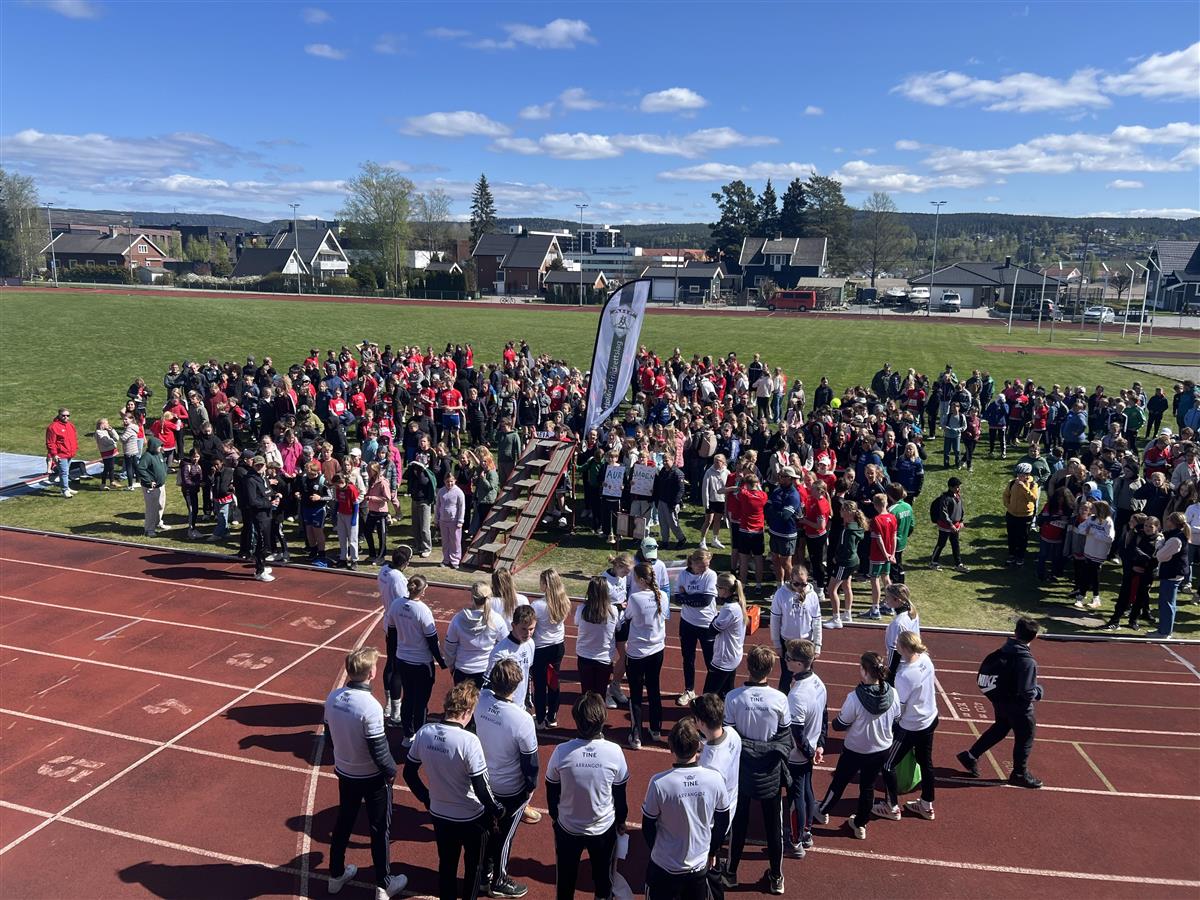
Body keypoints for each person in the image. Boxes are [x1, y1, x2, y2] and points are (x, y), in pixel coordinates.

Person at [404, 681, 505, 900]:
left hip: (440, 814)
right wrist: (497, 809)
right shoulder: (469, 741)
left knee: (447, 866)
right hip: (471, 817)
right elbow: (481, 788)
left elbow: (409, 773)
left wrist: (426, 798)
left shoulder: (424, 733)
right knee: (474, 868)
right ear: (467, 711)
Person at [323, 647, 408, 900]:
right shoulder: (370, 706)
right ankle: (384, 883)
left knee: (344, 821)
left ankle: (335, 875)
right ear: (371, 672)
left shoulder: (333, 697)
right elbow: (379, 750)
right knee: (379, 828)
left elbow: (329, 739)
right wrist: (391, 772)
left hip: (345, 772)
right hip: (371, 778)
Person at [545, 693, 629, 900]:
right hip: (603, 829)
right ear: (603, 720)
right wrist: (621, 821)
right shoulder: (615, 752)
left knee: (565, 881)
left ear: (576, 719)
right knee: (603, 880)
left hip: (568, 828)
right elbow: (620, 795)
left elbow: (551, 788)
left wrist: (556, 816)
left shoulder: (561, 752)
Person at [721, 646, 790, 895]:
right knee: (774, 827)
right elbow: (785, 738)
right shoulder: (780, 699)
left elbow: (729, 737)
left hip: (742, 769)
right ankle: (776, 876)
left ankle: (731, 872)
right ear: (771, 668)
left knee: (739, 822)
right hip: (771, 770)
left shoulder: (733, 697)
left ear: (747, 666)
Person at [641, 718, 733, 900]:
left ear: (671, 748)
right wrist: (712, 850)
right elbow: (723, 821)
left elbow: (648, 825)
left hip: (664, 868)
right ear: (698, 746)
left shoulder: (659, 783)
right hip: (698, 868)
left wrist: (658, 851)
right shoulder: (714, 779)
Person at [816, 652, 899, 841]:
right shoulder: (893, 694)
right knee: (868, 787)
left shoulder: (855, 698)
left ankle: (822, 811)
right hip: (881, 749)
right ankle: (860, 824)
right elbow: (896, 719)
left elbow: (840, 724)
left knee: (839, 782)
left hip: (855, 749)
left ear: (864, 671)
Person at [475, 658, 539, 899]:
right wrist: (530, 789)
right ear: (517, 684)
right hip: (510, 788)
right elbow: (530, 762)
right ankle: (499, 881)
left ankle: (484, 876)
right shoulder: (522, 719)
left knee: (487, 832)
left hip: (483, 783)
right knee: (504, 836)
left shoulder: (480, 700)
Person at [956, 617, 1045, 789]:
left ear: (1015, 632)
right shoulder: (1027, 661)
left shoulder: (1002, 652)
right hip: (1019, 707)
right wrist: (1039, 691)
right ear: (1035, 637)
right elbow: (1027, 692)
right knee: (1025, 737)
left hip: (1000, 701)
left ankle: (971, 756)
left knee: (1001, 728)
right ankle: (1019, 774)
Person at [873, 630, 939, 822]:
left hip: (911, 726)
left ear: (902, 648)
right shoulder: (925, 659)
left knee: (888, 764)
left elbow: (898, 708)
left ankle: (891, 806)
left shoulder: (904, 676)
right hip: (930, 718)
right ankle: (926, 805)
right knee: (925, 762)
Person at [387, 575, 447, 745]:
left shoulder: (396, 604)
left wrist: (393, 656)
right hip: (421, 664)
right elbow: (432, 640)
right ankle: (420, 736)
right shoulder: (423, 611)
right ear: (423, 590)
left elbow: (392, 633)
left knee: (408, 697)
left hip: (402, 660)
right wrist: (442, 662)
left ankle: (407, 735)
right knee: (421, 702)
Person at [783, 639, 826, 858]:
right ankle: (806, 832)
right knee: (807, 790)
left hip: (797, 755)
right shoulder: (818, 682)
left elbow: (796, 732)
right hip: (811, 747)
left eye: (788, 658)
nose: (785, 660)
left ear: (799, 664)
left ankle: (795, 840)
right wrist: (819, 746)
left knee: (796, 797)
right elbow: (824, 715)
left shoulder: (797, 695)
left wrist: (808, 752)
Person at [622, 562, 671, 749]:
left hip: (637, 653)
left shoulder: (635, 598)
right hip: (657, 650)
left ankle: (636, 735)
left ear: (642, 580)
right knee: (653, 688)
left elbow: (627, 617)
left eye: (635, 578)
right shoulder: (663, 596)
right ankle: (656, 729)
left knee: (635, 693)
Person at [692, 693, 741, 871]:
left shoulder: (710, 767)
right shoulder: (733, 735)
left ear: (701, 722)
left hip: (712, 824)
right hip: (731, 801)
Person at [770, 565, 822, 694]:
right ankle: (783, 701)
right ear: (790, 580)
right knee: (786, 675)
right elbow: (775, 620)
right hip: (788, 643)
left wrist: (817, 645)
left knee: (807, 677)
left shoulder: (812, 595)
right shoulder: (781, 594)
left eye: (803, 584)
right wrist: (777, 644)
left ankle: (809, 700)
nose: (800, 587)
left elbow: (817, 621)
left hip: (806, 643)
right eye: (796, 584)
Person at [675, 549, 718, 706]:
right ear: (692, 563)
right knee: (688, 659)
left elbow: (706, 600)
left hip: (706, 624)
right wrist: (692, 598)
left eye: (707, 565)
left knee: (710, 661)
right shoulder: (683, 575)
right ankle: (689, 690)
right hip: (687, 623)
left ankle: (711, 694)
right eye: (701, 566)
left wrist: (686, 597)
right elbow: (677, 599)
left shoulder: (711, 575)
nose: (705, 569)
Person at [530, 568, 570, 728]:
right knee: (553, 682)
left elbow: (532, 626)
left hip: (541, 648)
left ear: (545, 584)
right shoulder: (564, 601)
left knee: (540, 685)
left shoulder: (537, 605)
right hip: (558, 646)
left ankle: (540, 718)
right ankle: (552, 716)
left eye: (541, 582)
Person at [378, 545, 412, 716]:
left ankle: (388, 704)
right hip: (398, 625)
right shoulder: (398, 579)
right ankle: (395, 710)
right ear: (405, 563)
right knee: (397, 667)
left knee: (390, 663)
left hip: (388, 621)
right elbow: (403, 602)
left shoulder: (384, 570)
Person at [824, 500, 866, 628]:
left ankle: (836, 618)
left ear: (848, 512)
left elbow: (846, 549)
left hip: (845, 563)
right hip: (853, 561)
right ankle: (847, 614)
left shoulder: (847, 530)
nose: (840, 511)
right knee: (847, 586)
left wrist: (837, 559)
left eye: (842, 509)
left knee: (831, 589)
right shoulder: (857, 526)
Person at [575, 576, 619, 698]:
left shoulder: (582, 609)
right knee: (600, 694)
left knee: (586, 694)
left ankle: (586, 710)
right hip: (604, 659)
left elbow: (576, 622)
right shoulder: (613, 611)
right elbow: (618, 627)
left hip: (584, 657)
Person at [704, 573, 746, 698]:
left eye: (718, 587)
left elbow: (712, 630)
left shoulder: (729, 609)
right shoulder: (738, 603)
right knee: (727, 693)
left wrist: (715, 618)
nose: (716, 590)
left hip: (724, 658)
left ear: (725, 589)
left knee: (708, 696)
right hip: (733, 655)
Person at [488, 604, 537, 711]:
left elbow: (527, 673)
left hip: (521, 706)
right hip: (503, 708)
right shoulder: (500, 653)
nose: (528, 633)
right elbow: (490, 686)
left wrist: (527, 698)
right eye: (523, 629)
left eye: (531, 629)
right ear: (513, 626)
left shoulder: (530, 644)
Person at [1072, 500, 1115, 610]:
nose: (1091, 510)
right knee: (1085, 574)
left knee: (1094, 576)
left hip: (1099, 553)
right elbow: (1081, 529)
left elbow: (1109, 538)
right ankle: (1081, 596)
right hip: (1088, 551)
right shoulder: (1091, 518)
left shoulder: (1108, 522)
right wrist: (1088, 531)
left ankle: (1095, 598)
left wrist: (1094, 533)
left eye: (1094, 508)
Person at [1155, 512, 1193, 638]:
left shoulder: (1175, 539)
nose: (1166, 521)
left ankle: (1165, 632)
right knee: (1166, 603)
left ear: (1173, 522)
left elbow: (1160, 556)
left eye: (1168, 519)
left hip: (1172, 574)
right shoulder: (1175, 536)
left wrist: (1159, 542)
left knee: (1167, 604)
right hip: (1172, 573)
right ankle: (1163, 630)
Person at [244, 455, 278, 582]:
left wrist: (275, 496)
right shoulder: (250, 480)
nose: (259, 467)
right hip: (259, 515)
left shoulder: (263, 477)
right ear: (253, 465)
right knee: (262, 543)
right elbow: (252, 501)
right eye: (257, 465)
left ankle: (261, 565)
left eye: (261, 465)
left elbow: (267, 491)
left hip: (267, 514)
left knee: (267, 542)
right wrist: (269, 503)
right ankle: (260, 570)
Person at [866, 493, 898, 619]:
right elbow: (894, 537)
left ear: (875, 505)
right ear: (887, 503)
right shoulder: (892, 517)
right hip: (889, 554)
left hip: (878, 555)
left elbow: (878, 539)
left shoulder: (876, 520)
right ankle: (890, 606)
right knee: (886, 578)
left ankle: (875, 609)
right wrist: (892, 554)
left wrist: (885, 554)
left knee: (875, 580)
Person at [1003, 463, 1039, 567]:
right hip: (1011, 514)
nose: (1019, 476)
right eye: (1018, 474)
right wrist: (1008, 505)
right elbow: (1006, 495)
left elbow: (1033, 498)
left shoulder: (1033, 485)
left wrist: (1024, 487)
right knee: (1011, 536)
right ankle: (1012, 555)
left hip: (1025, 516)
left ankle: (1020, 556)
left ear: (1028, 474)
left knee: (1022, 537)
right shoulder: (1012, 483)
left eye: (1022, 474)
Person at [929, 477, 968, 572]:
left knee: (955, 544)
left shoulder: (957, 496)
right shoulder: (945, 498)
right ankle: (933, 562)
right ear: (950, 487)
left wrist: (961, 521)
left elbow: (961, 509)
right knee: (941, 544)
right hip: (946, 526)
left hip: (955, 525)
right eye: (956, 487)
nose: (958, 489)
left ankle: (958, 563)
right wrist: (951, 525)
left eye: (959, 486)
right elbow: (944, 513)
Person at [135, 436, 169, 537]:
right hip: (151, 488)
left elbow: (163, 465)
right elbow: (141, 469)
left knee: (160, 505)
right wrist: (149, 481)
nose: (161, 447)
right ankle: (149, 529)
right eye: (159, 446)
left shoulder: (159, 454)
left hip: (161, 485)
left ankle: (158, 523)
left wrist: (164, 473)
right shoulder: (147, 456)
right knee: (151, 509)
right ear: (153, 446)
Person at [45, 407, 79, 498]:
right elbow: (50, 442)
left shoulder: (70, 425)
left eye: (68, 415)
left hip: (69, 453)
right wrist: (54, 454)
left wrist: (75, 448)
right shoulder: (53, 427)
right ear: (59, 415)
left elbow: (74, 438)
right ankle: (64, 490)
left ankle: (66, 487)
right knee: (64, 472)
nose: (66, 417)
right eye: (63, 415)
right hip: (60, 454)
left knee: (66, 472)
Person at [437, 471, 467, 569]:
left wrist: (460, 520)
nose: (449, 483)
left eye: (451, 481)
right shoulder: (441, 491)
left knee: (455, 542)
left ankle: (455, 560)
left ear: (455, 481)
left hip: (454, 521)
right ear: (444, 481)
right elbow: (438, 506)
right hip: (443, 520)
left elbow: (462, 507)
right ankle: (446, 560)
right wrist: (436, 518)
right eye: (447, 482)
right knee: (445, 541)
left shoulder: (459, 492)